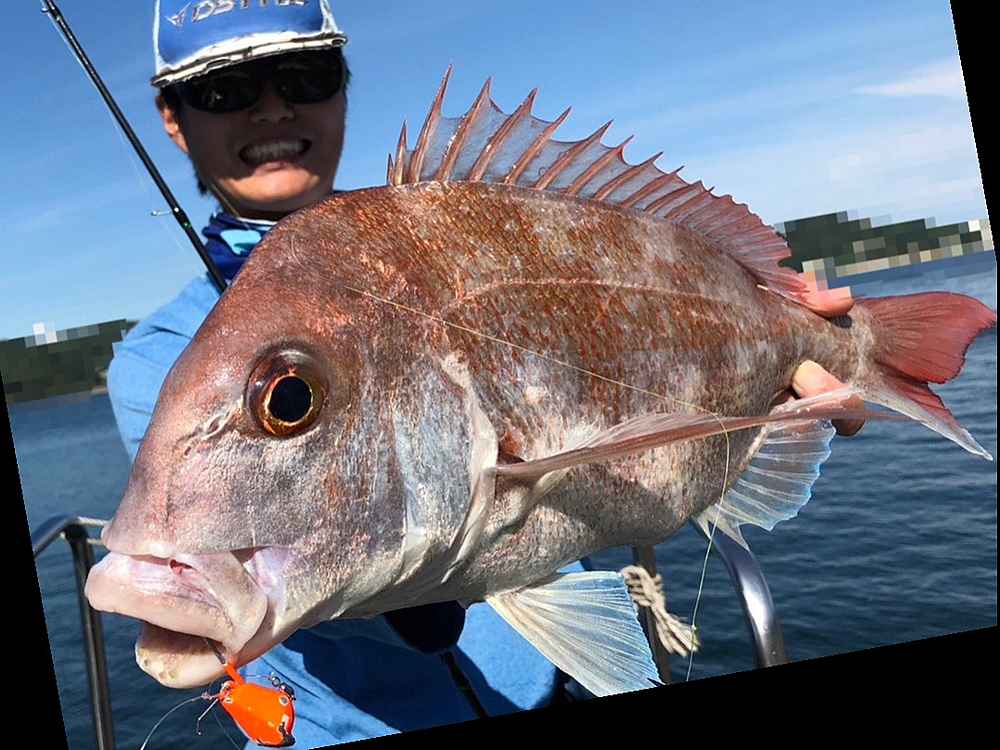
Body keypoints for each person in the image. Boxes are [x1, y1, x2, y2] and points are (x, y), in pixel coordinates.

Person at [108, 2, 862, 747]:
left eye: (305, 76)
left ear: (343, 84)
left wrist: (800, 355)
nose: (272, 109)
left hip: (554, 685)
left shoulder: (452, 225)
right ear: (172, 117)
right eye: (224, 89)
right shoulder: (157, 356)